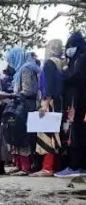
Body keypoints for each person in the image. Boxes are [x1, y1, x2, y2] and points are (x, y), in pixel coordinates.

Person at [3, 47, 40, 176]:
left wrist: (11, 95)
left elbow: (29, 90)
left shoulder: (26, 69)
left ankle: (25, 166)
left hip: (25, 107)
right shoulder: (20, 70)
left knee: (22, 135)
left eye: (11, 60)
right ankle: (18, 165)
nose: (10, 64)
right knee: (15, 133)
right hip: (21, 105)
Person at [57, 32, 86, 177]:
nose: (69, 49)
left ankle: (75, 166)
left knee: (76, 134)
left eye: (71, 46)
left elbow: (77, 77)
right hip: (79, 101)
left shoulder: (80, 59)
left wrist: (64, 74)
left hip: (78, 102)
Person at [35, 39, 64, 177]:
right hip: (59, 101)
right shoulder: (62, 63)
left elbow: (49, 84)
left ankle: (47, 167)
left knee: (47, 135)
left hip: (49, 101)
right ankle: (56, 166)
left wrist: (45, 103)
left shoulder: (49, 63)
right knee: (56, 133)